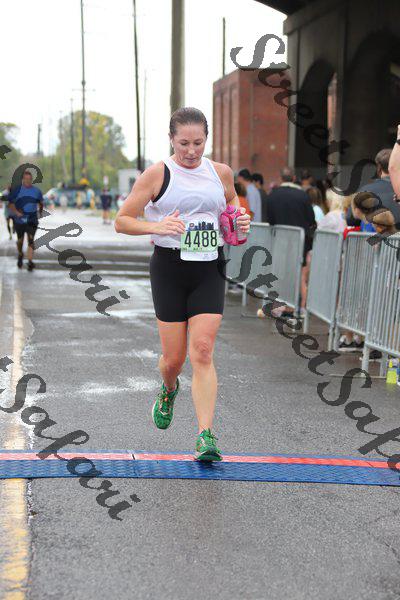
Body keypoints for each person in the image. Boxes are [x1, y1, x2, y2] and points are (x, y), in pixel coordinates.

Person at [114, 107, 250, 461]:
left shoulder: (220, 172)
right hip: (169, 268)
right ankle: (169, 387)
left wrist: (238, 220)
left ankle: (205, 436)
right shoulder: (157, 174)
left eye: (198, 143)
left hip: (209, 267)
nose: (191, 151)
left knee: (202, 350)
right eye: (184, 143)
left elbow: (231, 203)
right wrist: (156, 226)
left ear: (207, 140)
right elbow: (122, 220)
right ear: (171, 139)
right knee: (173, 360)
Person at [266, 166, 316, 315]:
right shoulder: (302, 195)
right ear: (294, 178)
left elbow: (270, 220)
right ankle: (298, 307)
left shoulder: (272, 195)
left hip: (280, 241)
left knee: (280, 273)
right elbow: (311, 219)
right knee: (298, 275)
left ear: (281, 178)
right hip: (300, 242)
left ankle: (281, 305)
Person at [8, 170, 43, 271]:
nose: (27, 181)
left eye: (29, 179)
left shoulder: (37, 191)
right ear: (22, 179)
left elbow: (40, 203)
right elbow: (10, 204)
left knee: (31, 240)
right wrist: (16, 212)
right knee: (20, 240)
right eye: (26, 179)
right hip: (19, 220)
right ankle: (20, 254)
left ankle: (30, 261)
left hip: (32, 219)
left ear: (32, 180)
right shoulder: (16, 191)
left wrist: (40, 211)